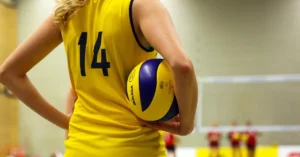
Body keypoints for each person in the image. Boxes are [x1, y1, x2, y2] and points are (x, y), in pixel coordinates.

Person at [0, 0, 198, 156]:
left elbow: (8, 74)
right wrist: (186, 125)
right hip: (134, 148)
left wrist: (67, 122)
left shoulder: (67, 11)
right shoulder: (141, 6)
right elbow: (182, 66)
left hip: (80, 148)